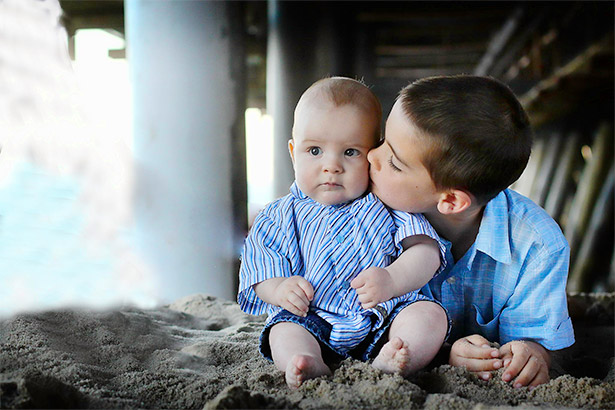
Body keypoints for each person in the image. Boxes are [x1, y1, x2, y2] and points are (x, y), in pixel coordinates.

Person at [238, 77, 450, 388]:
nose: (331, 166)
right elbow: (259, 268)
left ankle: (392, 360)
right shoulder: (279, 216)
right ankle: (307, 362)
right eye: (314, 151)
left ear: (374, 152)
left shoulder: (389, 204)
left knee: (430, 316)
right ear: (293, 151)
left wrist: (392, 279)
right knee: (282, 331)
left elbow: (426, 251)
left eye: (350, 152)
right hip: (313, 318)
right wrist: (280, 288)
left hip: (384, 316)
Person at [367, 75, 574, 390]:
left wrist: (531, 354)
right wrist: (445, 352)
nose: (371, 156)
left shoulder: (539, 245)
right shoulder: (366, 214)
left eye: (394, 162)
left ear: (450, 200)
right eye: (382, 141)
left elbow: (541, 345)